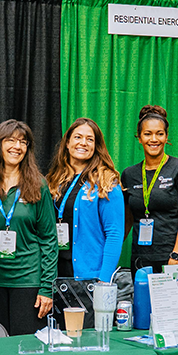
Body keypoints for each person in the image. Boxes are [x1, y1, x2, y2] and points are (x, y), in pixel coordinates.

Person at [0, 120, 57, 335]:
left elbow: (49, 239)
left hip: (28, 281)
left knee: (26, 346)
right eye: (11, 140)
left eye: (23, 142)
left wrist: (47, 288)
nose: (17, 146)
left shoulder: (38, 184)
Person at [121, 105, 178, 275]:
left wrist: (175, 257)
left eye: (159, 134)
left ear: (166, 137)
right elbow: (127, 220)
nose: (154, 139)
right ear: (139, 138)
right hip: (142, 259)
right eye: (147, 134)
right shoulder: (129, 174)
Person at [46, 118, 124, 281]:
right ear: (67, 143)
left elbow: (114, 234)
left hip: (90, 277)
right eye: (78, 137)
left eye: (90, 139)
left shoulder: (106, 182)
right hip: (55, 274)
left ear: (96, 146)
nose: (83, 143)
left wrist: (104, 281)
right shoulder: (53, 180)